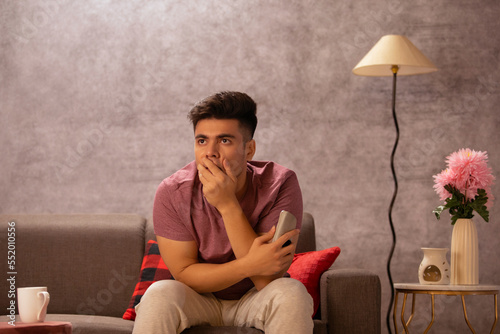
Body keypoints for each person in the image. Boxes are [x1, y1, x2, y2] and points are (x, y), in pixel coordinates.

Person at [132, 91, 313, 333]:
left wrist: (227, 204)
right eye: (202, 141)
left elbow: (265, 280)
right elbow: (185, 272)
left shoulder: (280, 183)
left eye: (225, 141)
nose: (210, 152)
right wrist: (249, 264)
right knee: (159, 294)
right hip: (198, 298)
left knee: (292, 292)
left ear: (249, 150)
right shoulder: (172, 192)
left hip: (254, 297)